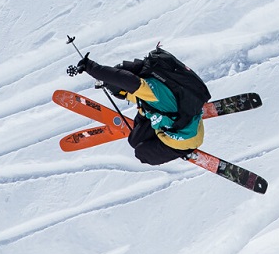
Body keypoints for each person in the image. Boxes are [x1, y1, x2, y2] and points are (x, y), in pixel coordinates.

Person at [68, 46, 211, 166]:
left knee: (142, 154)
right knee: (134, 140)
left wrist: (91, 67)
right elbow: (125, 81)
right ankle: (154, 129)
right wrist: (110, 84)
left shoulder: (150, 90)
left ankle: (183, 151)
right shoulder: (154, 79)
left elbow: (123, 79)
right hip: (175, 116)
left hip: (186, 139)